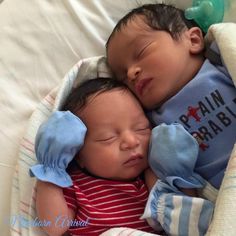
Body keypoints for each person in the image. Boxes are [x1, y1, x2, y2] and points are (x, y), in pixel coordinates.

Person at [106, 3, 236, 235]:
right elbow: (167, 188)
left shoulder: (221, 66)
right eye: (121, 78)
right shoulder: (153, 124)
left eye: (142, 51)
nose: (130, 73)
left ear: (193, 41)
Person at [31, 78, 156, 236]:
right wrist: (51, 169)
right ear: (78, 155)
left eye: (141, 128)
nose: (131, 142)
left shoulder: (151, 176)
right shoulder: (75, 185)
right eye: (107, 137)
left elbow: (177, 210)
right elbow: (54, 227)